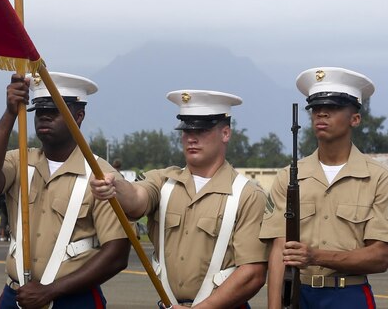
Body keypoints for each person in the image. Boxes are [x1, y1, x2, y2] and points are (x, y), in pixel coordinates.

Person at [91, 90, 269, 309]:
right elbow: (137, 198)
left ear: (225, 133)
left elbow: (253, 274)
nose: (191, 138)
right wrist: (115, 185)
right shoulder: (163, 181)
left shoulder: (247, 195)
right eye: (186, 130)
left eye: (202, 130)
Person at [0, 72, 130, 309]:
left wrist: (51, 291)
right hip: (16, 295)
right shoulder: (20, 162)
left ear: (79, 116)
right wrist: (9, 113)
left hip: (73, 299)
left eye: (55, 111)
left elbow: (117, 254)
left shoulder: (101, 175)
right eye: (40, 110)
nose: (45, 117)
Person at [260, 68, 388, 309]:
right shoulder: (288, 177)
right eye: (315, 109)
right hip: (297, 294)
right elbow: (278, 253)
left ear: (355, 119)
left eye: (333, 108)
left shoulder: (378, 178)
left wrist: (316, 256)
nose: (321, 114)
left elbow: (380, 257)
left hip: (348, 295)